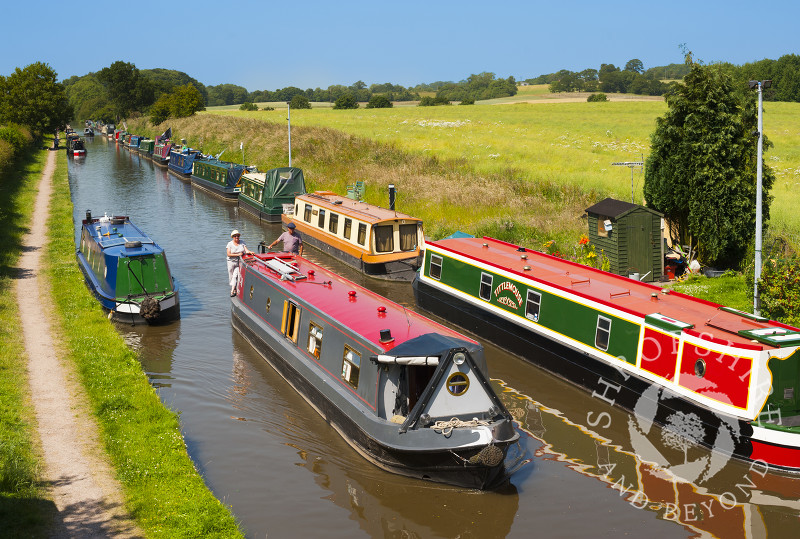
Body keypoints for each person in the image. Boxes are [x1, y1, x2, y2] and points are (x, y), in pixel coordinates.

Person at [226, 230, 252, 296]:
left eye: (238, 236)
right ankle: (234, 288)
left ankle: (232, 291)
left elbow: (246, 250)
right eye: (235, 236)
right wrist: (238, 254)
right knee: (231, 276)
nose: (236, 237)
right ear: (232, 237)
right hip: (231, 262)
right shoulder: (230, 244)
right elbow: (228, 254)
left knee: (235, 275)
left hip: (239, 262)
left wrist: (250, 252)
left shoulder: (242, 243)